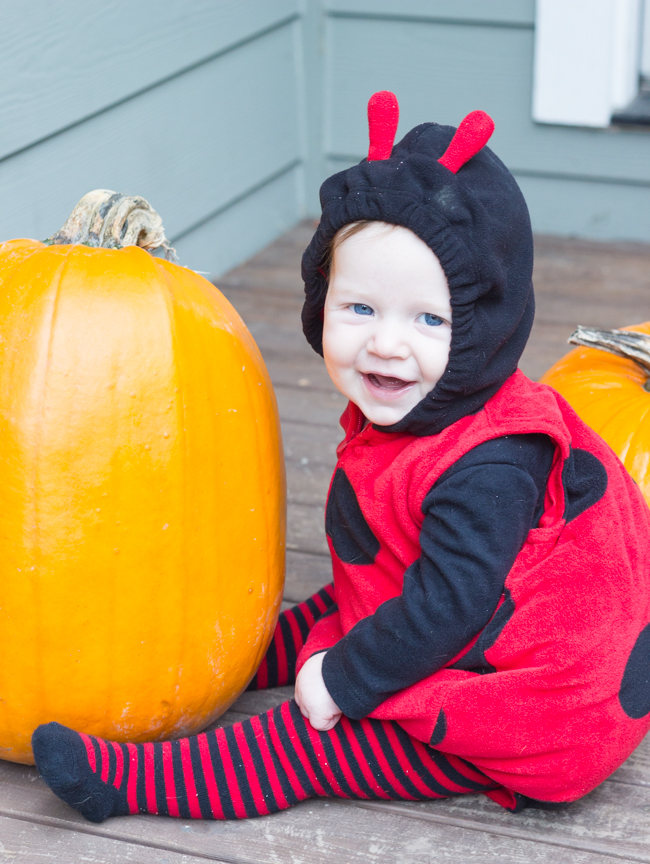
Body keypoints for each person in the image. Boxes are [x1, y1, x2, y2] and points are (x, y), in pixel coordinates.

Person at [32, 93, 650, 823]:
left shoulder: (491, 465)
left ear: (483, 326)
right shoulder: (430, 410)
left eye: (427, 318)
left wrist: (347, 680)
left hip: (534, 701)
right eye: (360, 308)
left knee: (317, 738)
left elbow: (443, 608)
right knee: (339, 607)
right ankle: (228, 661)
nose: (386, 343)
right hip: (473, 612)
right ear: (322, 296)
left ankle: (137, 782)